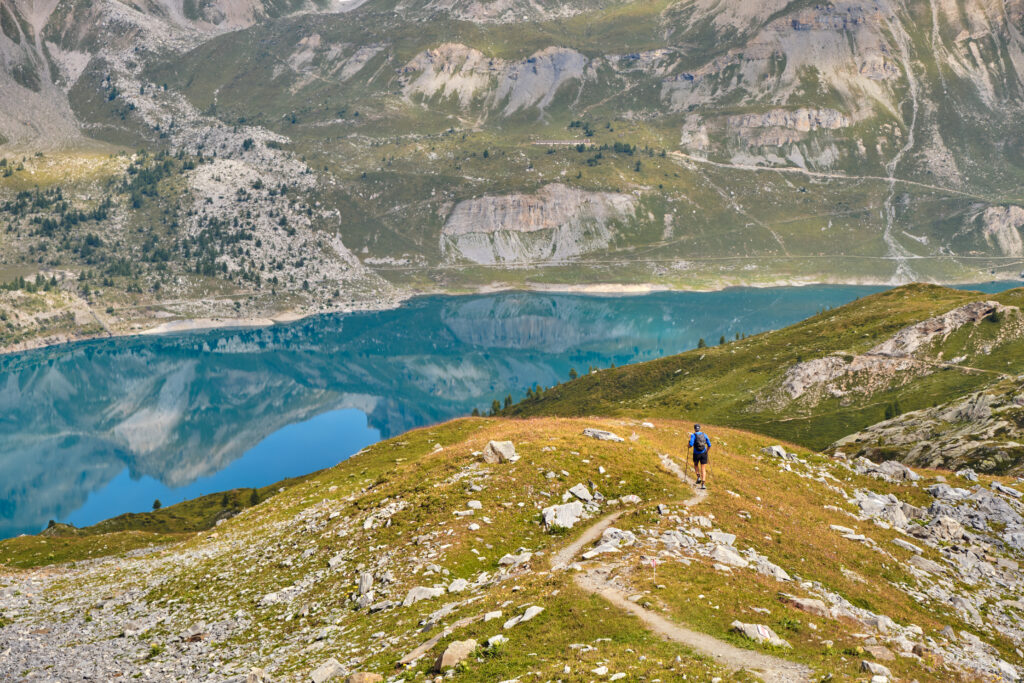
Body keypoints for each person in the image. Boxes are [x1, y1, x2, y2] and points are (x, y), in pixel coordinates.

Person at [687, 423, 711, 489]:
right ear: (699, 428)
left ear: (694, 429)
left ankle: (698, 477)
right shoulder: (704, 434)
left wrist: (688, 446)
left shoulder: (693, 435)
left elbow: (691, 444)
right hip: (704, 453)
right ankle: (703, 484)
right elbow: (709, 445)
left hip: (696, 453)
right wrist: (706, 451)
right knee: (703, 468)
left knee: (695, 465)